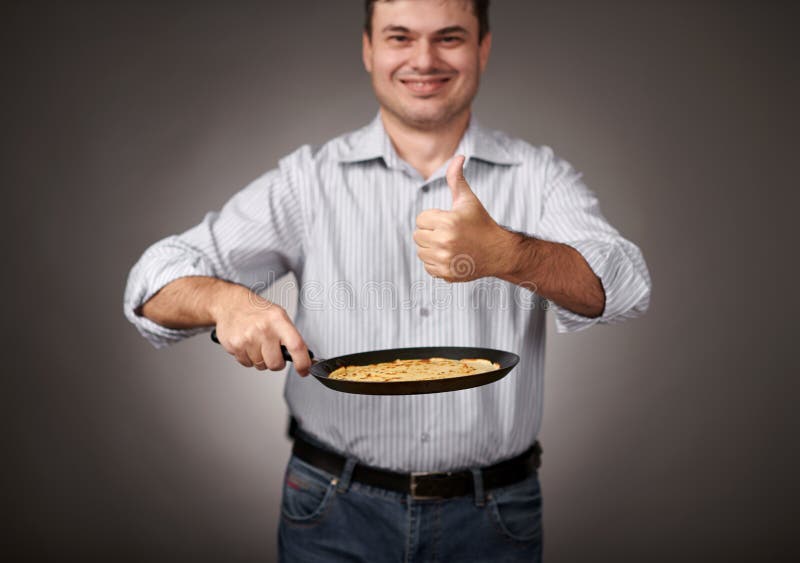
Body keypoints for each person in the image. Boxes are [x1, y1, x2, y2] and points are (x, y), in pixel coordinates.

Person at [124, 0, 651, 560]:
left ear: (483, 48)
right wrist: (224, 300)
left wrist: (510, 253)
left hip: (495, 517)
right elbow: (152, 282)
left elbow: (624, 285)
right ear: (369, 49)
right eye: (400, 37)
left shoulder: (541, 177)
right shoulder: (309, 181)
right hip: (332, 510)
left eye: (449, 37)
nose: (424, 59)